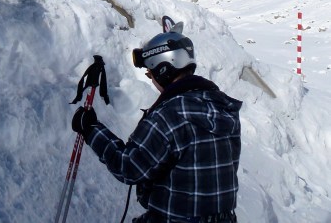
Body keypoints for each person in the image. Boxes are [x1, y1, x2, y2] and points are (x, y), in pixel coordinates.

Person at [71, 24, 242, 223]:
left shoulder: (171, 114)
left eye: (150, 74)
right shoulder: (225, 109)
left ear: (164, 68)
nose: (151, 80)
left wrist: (90, 129)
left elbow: (129, 166)